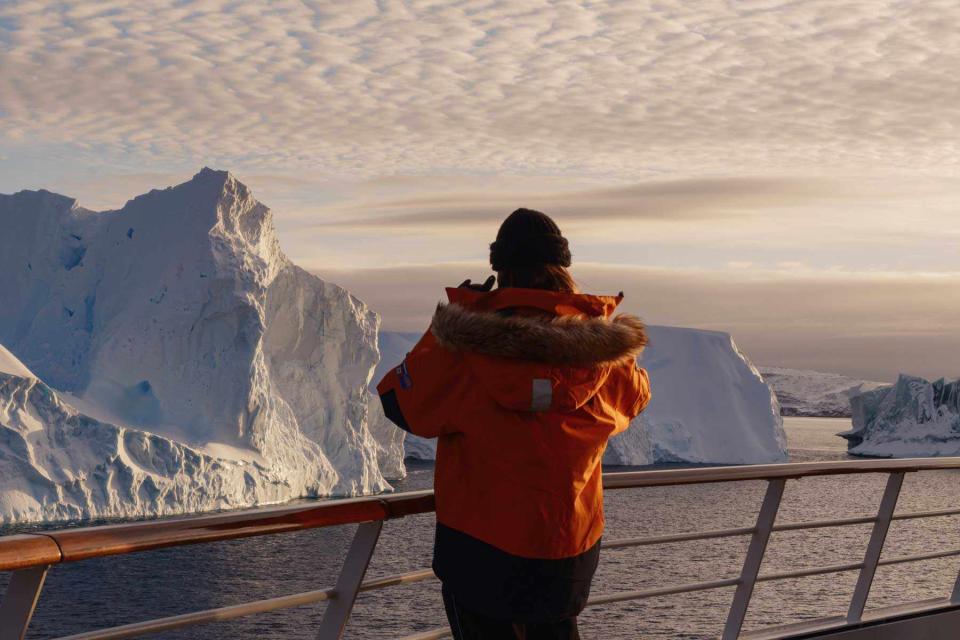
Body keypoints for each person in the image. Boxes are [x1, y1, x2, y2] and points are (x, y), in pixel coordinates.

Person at [377, 208, 651, 640]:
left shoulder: (463, 352)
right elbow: (636, 399)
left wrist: (450, 323)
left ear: (499, 271)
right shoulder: (604, 354)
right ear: (563, 269)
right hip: (566, 552)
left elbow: (399, 403)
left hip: (479, 553)